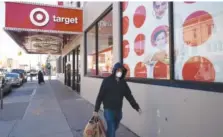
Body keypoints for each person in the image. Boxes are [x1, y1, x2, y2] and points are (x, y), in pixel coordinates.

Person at [93, 62, 142, 137]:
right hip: (108, 110)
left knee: (114, 127)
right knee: (112, 129)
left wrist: (136, 107)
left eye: (121, 71)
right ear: (114, 71)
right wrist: (96, 110)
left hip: (118, 110)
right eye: (118, 70)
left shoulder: (123, 83)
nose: (120, 72)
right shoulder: (107, 81)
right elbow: (100, 96)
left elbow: (129, 96)